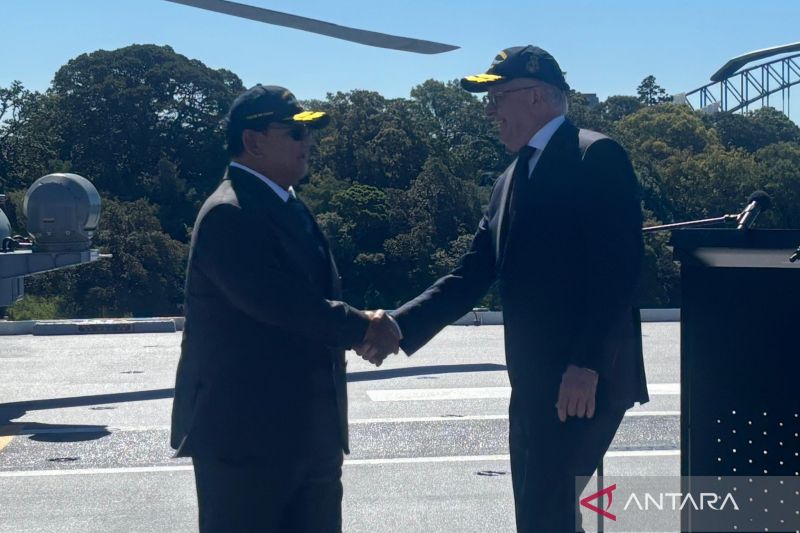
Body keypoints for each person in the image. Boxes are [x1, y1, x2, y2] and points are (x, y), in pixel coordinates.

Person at [359, 46, 649, 532]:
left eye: (497, 96)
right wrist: (399, 326)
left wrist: (587, 364)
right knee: (539, 515)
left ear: (537, 96)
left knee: (545, 513)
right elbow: (473, 272)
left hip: (583, 382)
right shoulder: (509, 179)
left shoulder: (595, 155)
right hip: (534, 382)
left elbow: (618, 270)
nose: (489, 111)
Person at [170, 84, 400, 533]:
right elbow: (281, 303)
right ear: (253, 141)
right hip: (248, 441)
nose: (308, 142)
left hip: (306, 436)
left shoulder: (285, 204)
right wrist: (362, 326)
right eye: (294, 132)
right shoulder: (229, 213)